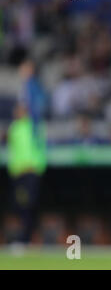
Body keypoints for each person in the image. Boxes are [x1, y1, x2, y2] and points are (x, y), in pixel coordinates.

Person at [7, 103, 47, 245]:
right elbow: (14, 152)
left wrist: (36, 167)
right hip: (18, 174)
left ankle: (28, 238)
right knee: (20, 205)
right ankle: (25, 237)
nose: (16, 112)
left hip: (31, 172)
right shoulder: (13, 129)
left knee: (30, 205)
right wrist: (15, 169)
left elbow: (40, 149)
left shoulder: (34, 127)